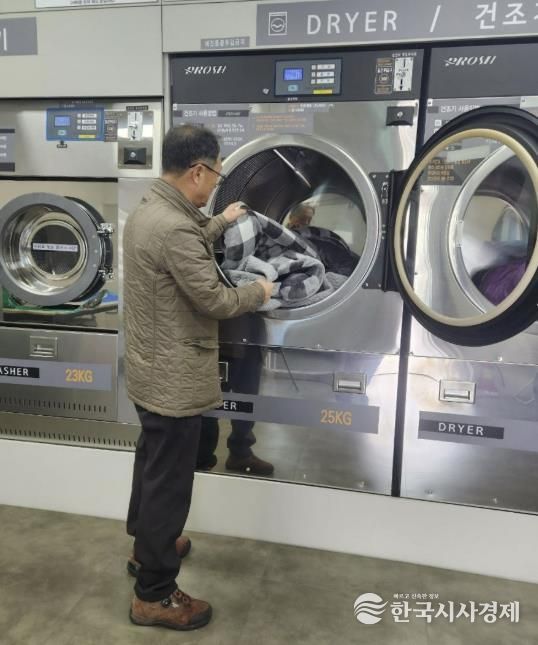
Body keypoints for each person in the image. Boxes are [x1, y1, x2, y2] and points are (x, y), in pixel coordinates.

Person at [123, 124, 273, 632]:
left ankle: (148, 548)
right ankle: (154, 594)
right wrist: (259, 292)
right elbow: (215, 299)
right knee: (170, 484)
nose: (215, 185)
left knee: (152, 466)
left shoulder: (150, 210)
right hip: (174, 379)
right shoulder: (174, 228)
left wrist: (220, 222)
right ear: (197, 171)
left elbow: (182, 243)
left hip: (149, 370)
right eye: (217, 175)